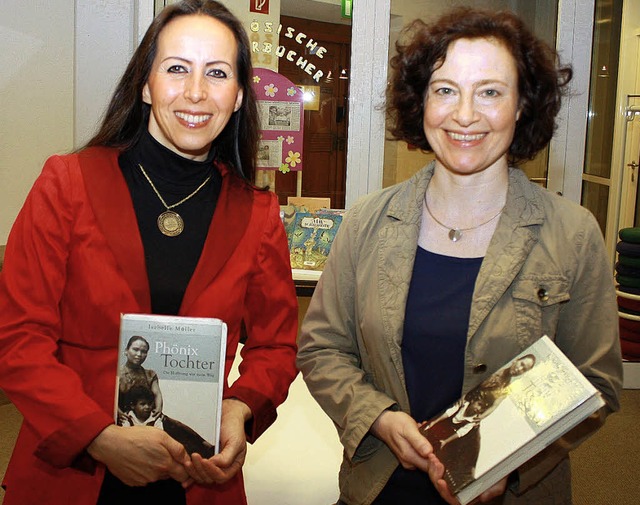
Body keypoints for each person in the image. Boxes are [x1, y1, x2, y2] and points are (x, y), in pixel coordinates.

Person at [297, 7, 622, 505]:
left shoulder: (572, 234)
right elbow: (322, 348)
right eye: (445, 90)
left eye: (489, 91)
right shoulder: (366, 222)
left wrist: (511, 464)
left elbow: (594, 380)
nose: (464, 114)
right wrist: (377, 417)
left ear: (521, 106)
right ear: (420, 104)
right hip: (381, 487)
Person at [0, 1, 298, 504]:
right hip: (75, 470)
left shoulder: (258, 213)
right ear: (145, 84)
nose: (196, 92)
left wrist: (241, 406)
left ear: (241, 95)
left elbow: (276, 347)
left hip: (198, 474)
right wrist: (99, 437)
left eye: (218, 73)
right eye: (177, 68)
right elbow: (18, 337)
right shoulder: (67, 183)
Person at [117, 336, 163, 425]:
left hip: (145, 417)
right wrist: (117, 412)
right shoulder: (117, 373)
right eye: (135, 349)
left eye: (143, 352)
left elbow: (157, 394)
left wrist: (158, 409)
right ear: (126, 351)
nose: (139, 354)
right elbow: (110, 397)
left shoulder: (150, 374)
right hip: (123, 417)